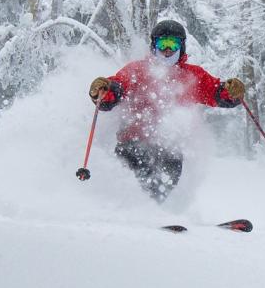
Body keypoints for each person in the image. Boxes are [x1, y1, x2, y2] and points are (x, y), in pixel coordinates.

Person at [89, 20, 246, 201]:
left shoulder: (192, 76)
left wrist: (231, 93)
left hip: (169, 147)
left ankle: (154, 213)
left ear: (182, 47)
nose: (168, 50)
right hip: (132, 142)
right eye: (162, 44)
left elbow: (216, 92)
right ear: (153, 45)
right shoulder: (137, 70)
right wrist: (103, 90)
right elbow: (116, 89)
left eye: (173, 44)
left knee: (165, 182)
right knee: (138, 178)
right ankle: (129, 210)